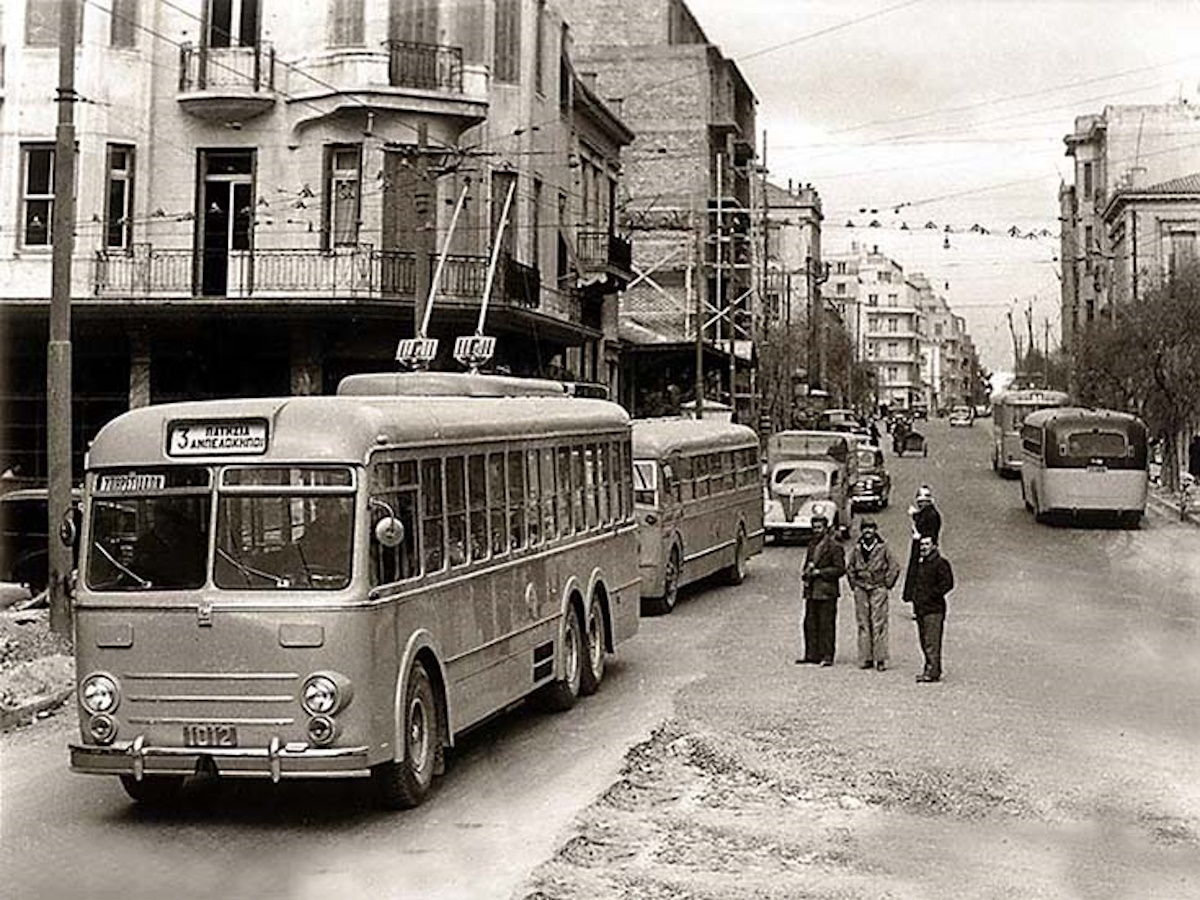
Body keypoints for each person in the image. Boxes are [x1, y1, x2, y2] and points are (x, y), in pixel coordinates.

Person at [846, 519, 901, 671]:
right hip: (861, 587)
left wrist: (887, 583)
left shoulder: (883, 548)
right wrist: (854, 584)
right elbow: (849, 568)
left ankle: (880, 658)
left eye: (870, 528)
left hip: (878, 587)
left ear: (875, 530)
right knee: (863, 623)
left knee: (879, 623)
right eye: (865, 529)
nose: (868, 531)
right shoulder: (857, 549)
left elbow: (894, 566)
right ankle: (865, 657)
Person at [796, 514, 846, 667]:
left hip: (826, 591)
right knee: (809, 623)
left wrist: (820, 573)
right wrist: (806, 572)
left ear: (826, 528)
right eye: (814, 527)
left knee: (826, 624)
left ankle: (827, 655)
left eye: (819, 527)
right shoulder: (811, 545)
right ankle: (811, 654)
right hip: (812, 590)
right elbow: (807, 563)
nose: (816, 530)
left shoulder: (834, 546)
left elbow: (840, 569)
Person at [910, 535, 954, 682]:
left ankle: (933, 670)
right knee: (924, 640)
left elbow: (947, 584)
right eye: (922, 544)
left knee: (932, 641)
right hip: (921, 608)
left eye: (927, 544)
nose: (923, 547)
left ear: (934, 545)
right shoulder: (921, 563)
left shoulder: (941, 563)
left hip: (934, 609)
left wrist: (931, 595)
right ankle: (930, 667)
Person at [902, 485, 942, 606]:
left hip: (923, 548)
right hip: (920, 546)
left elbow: (927, 530)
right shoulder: (928, 513)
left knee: (921, 575)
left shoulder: (931, 515)